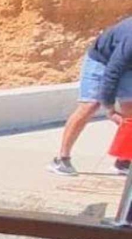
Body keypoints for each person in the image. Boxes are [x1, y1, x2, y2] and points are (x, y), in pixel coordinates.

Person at [50, 15, 132, 176]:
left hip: (128, 66)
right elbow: (112, 72)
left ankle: (123, 161)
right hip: (101, 61)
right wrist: (109, 109)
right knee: (90, 105)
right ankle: (61, 159)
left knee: (130, 109)